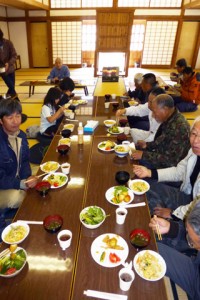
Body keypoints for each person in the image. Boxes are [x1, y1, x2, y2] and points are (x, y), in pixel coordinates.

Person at [133, 117, 200, 218]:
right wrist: (149, 172)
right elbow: (179, 172)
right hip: (187, 195)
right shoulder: (193, 152)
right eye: (194, 134)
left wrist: (173, 213)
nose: (195, 141)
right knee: (147, 186)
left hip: (195, 214)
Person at [149, 202, 200, 300]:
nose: (192, 246)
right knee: (151, 249)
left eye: (193, 243)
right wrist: (170, 228)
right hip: (195, 269)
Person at [131, 94, 190, 169]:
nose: (153, 115)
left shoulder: (180, 128)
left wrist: (144, 155)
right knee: (132, 151)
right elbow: (162, 140)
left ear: (165, 109)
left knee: (133, 164)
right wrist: (147, 145)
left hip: (169, 169)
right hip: (159, 156)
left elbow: (171, 161)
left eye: (155, 112)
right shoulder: (170, 117)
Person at [0, 98, 38, 209]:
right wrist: (20, 184)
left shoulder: (21, 135)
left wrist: (28, 177)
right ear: (1, 120)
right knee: (20, 197)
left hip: (16, 178)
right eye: (9, 117)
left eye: (17, 116)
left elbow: (25, 161)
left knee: (43, 173)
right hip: (3, 186)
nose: (15, 121)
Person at [0, 29, 18, 98]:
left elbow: (14, 55)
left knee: (11, 87)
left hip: (10, 68)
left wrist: (9, 63)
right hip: (2, 70)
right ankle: (17, 101)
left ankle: (5, 98)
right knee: (11, 87)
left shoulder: (8, 43)